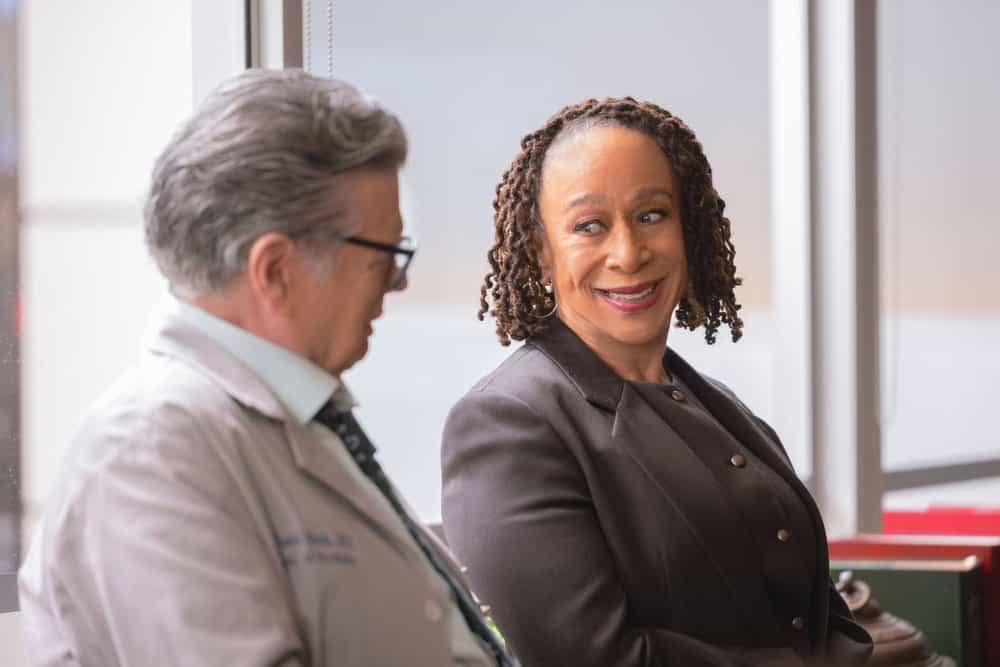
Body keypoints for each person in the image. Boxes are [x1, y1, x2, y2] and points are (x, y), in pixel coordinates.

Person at [19, 69, 509, 667]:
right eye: (387, 257)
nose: (397, 285)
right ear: (276, 269)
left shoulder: (302, 421)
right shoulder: (148, 450)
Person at [441, 97, 873, 667]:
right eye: (589, 226)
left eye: (651, 215)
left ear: (687, 229)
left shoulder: (721, 407)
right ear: (542, 254)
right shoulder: (506, 423)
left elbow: (823, 619)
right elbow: (588, 657)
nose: (628, 252)